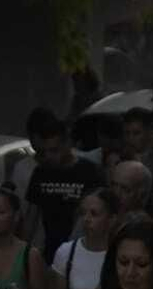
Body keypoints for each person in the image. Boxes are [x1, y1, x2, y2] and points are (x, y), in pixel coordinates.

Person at [26, 111, 107, 260]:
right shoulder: (41, 172)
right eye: (45, 151)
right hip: (50, 251)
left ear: (67, 144)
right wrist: (23, 251)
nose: (49, 156)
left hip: (82, 249)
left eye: (54, 150)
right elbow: (32, 216)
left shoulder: (90, 171)